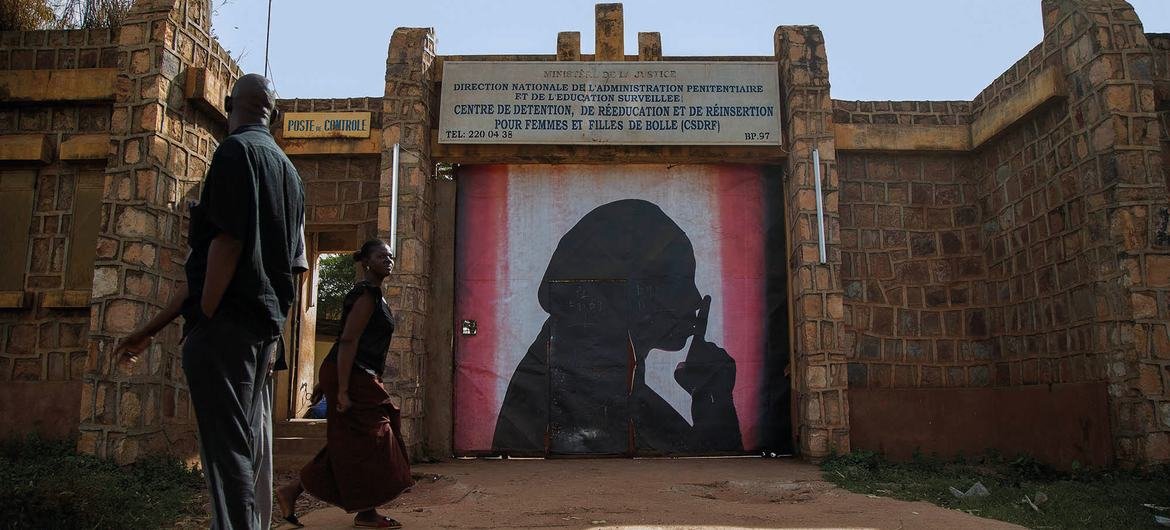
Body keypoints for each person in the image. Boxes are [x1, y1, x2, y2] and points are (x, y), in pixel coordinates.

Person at [116, 73, 306, 530]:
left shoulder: (234, 153)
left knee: (227, 458)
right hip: (263, 332)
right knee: (244, 448)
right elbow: (282, 267)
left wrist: (204, 317)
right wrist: (149, 330)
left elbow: (226, 245)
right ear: (273, 114)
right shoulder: (290, 172)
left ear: (227, 105)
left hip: (226, 331)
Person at [492, 199, 741, 455]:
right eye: (680, 281)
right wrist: (714, 400)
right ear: (632, 292)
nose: (696, 299)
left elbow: (705, 464)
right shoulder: (578, 393)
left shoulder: (612, 384)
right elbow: (696, 470)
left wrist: (712, 396)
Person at [276, 239, 413, 529]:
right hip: (353, 375)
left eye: (390, 256)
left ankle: (293, 491)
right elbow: (348, 340)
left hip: (354, 373)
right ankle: (366, 512)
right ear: (366, 261)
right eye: (380, 256)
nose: (388, 260)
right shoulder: (366, 295)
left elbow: (343, 339)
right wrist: (339, 389)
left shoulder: (376, 296)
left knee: (351, 441)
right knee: (376, 437)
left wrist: (327, 380)